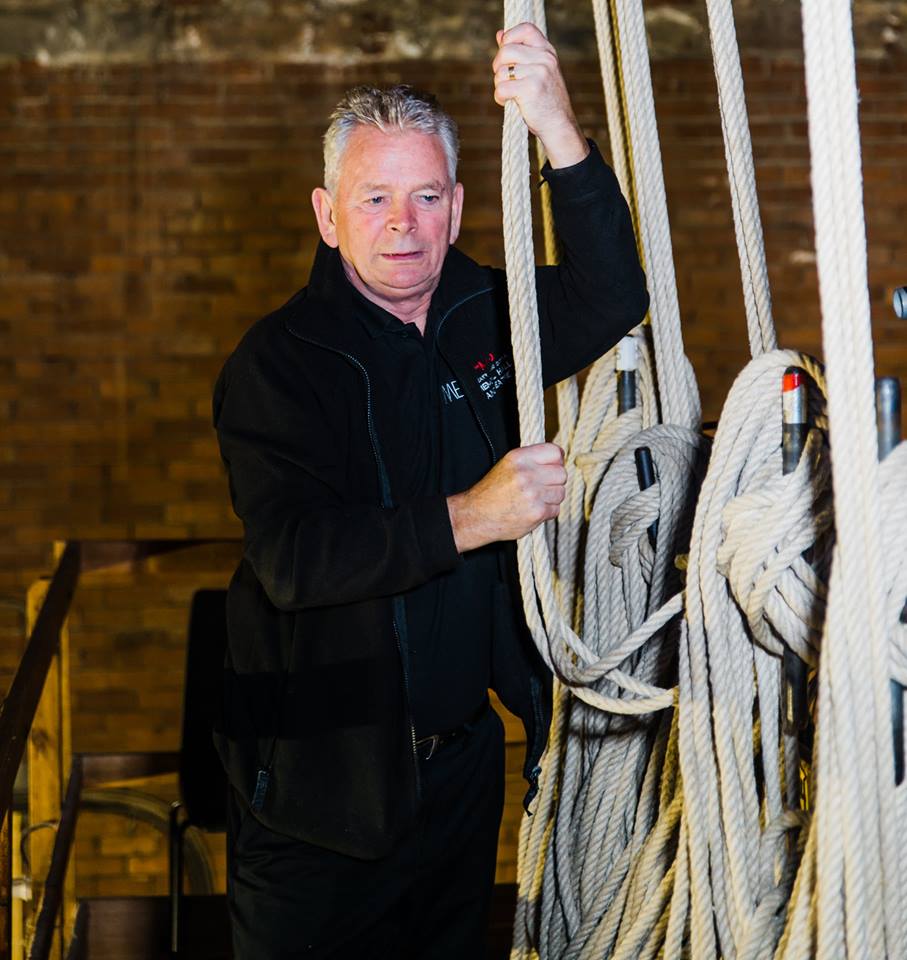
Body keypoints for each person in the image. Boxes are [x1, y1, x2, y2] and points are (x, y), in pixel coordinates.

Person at [212, 21, 648, 960]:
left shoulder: (484, 313)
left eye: (422, 197)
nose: (400, 224)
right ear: (329, 216)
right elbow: (294, 559)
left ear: (454, 207)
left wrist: (556, 127)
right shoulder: (277, 366)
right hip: (315, 805)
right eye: (374, 199)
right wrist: (476, 514)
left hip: (456, 783)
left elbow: (614, 296)